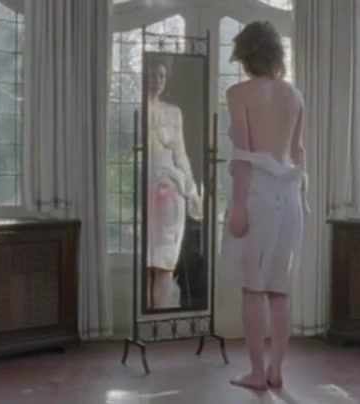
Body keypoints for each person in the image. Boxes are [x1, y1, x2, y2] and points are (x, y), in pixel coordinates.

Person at [220, 21, 309, 391]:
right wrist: (303, 199)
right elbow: (299, 152)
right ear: (276, 54)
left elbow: (244, 155)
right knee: (279, 289)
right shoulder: (295, 95)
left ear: (244, 55)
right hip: (290, 197)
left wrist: (239, 207)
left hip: (258, 193)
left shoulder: (239, 93)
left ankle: (257, 372)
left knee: (253, 288)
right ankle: (276, 370)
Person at [145, 56, 203, 309]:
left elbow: (180, 153)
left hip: (170, 187)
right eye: (152, 74)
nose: (157, 80)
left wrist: (192, 189)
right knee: (145, 260)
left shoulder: (173, 112)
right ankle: (146, 317)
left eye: (161, 75)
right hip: (145, 186)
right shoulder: (136, 109)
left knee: (165, 259)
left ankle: (160, 316)